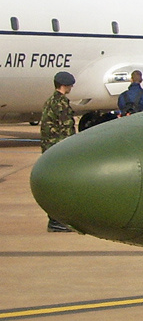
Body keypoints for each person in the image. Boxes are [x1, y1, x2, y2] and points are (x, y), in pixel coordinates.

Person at [40, 71, 77, 232]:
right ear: (65, 85)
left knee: (54, 185)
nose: (71, 88)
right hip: (60, 149)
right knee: (62, 187)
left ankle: (55, 220)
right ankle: (56, 221)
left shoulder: (50, 101)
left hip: (49, 148)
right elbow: (66, 128)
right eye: (70, 85)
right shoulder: (61, 103)